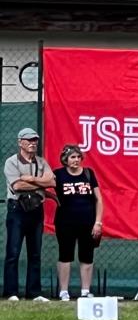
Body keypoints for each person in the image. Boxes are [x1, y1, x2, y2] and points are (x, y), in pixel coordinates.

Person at [4, 127, 52, 302]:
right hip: (17, 209)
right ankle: (11, 292)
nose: (33, 143)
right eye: (29, 140)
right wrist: (41, 185)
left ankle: (34, 292)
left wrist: (31, 179)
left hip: (36, 209)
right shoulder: (12, 162)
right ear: (20, 142)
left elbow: (52, 180)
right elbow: (17, 186)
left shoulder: (41, 162)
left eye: (35, 140)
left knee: (35, 253)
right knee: (13, 251)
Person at [52, 145, 102, 300]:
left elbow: (98, 199)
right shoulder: (58, 174)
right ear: (65, 159)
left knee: (87, 257)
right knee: (65, 255)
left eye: (78, 157)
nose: (76, 160)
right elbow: (43, 186)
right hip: (65, 222)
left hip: (87, 222)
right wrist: (51, 196)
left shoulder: (88, 173)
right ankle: (64, 291)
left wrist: (98, 222)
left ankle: (85, 291)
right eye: (72, 157)